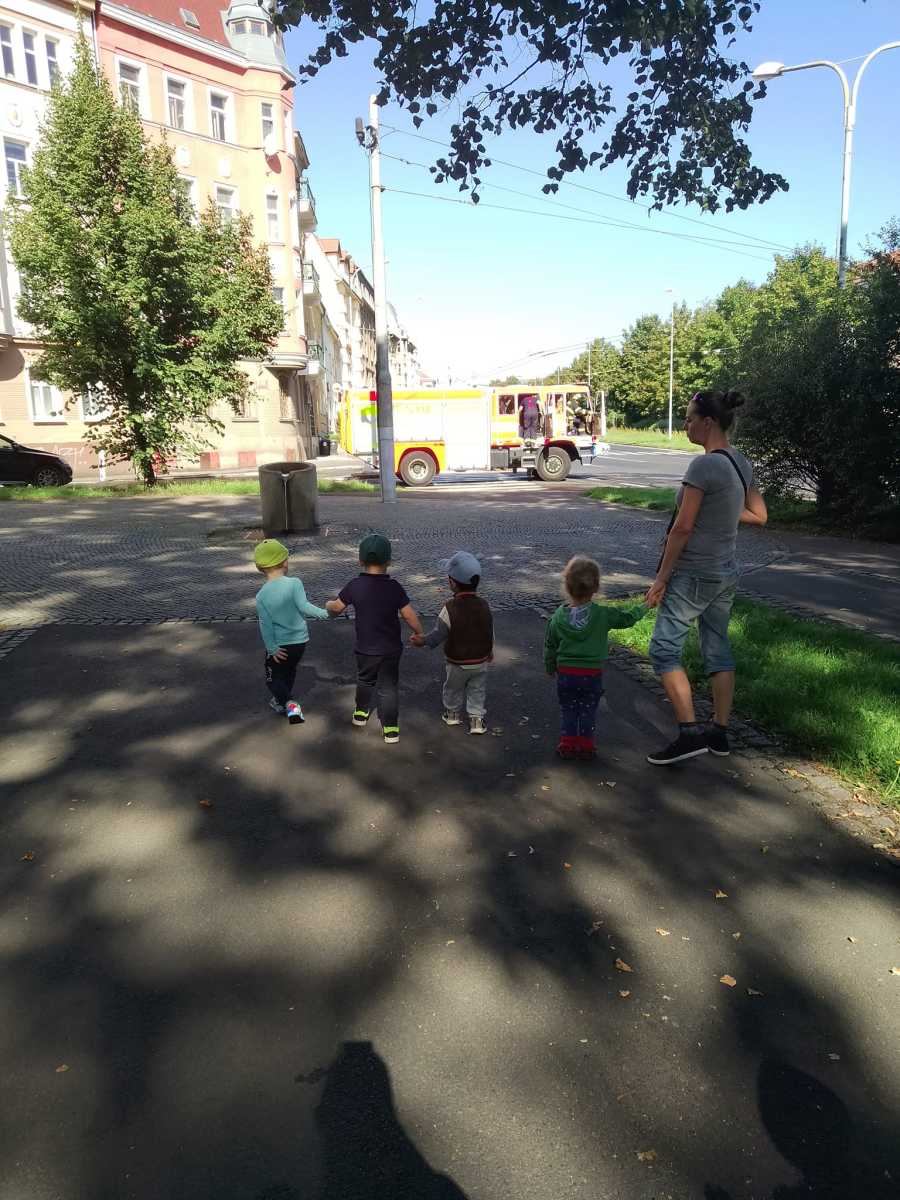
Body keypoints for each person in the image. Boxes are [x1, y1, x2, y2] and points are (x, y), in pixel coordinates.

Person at [644, 389, 768, 765]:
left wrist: (662, 577)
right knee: (717, 647)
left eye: (689, 419)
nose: (685, 425)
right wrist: (721, 510)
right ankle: (719, 732)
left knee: (663, 649)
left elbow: (681, 528)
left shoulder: (702, 467)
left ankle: (688, 734)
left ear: (708, 422)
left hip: (694, 573)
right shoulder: (740, 462)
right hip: (725, 572)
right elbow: (759, 515)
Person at [544, 556, 647, 759]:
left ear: (566, 585)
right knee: (588, 709)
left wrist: (549, 666)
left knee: (568, 709)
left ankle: (568, 743)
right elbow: (626, 619)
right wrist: (645, 606)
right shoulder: (602, 614)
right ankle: (586, 744)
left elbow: (550, 645)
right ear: (596, 587)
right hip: (591, 674)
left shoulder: (557, 618)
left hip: (566, 673)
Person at [326, 533, 423, 744]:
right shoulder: (394, 587)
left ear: (360, 561)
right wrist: (418, 632)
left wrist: (328, 606)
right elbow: (408, 615)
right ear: (389, 561)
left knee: (364, 680)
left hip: (365, 648)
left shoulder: (354, 585)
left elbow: (336, 608)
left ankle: (361, 713)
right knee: (389, 687)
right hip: (391, 648)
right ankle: (391, 728)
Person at [411, 550, 493, 735]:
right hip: (480, 660)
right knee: (477, 690)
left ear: (452, 583)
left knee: (453, 688)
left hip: (457, 661)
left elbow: (439, 634)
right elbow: (489, 629)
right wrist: (490, 650)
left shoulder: (449, 607)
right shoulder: (484, 605)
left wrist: (422, 641)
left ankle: (452, 714)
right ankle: (476, 720)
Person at [254, 538, 330, 725]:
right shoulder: (295, 583)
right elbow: (304, 606)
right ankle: (281, 701)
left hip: (280, 645)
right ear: (285, 562)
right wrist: (325, 613)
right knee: (289, 672)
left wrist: (271, 648)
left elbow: (265, 625)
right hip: (299, 642)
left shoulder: (261, 595)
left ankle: (289, 704)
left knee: (273, 679)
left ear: (260, 567)